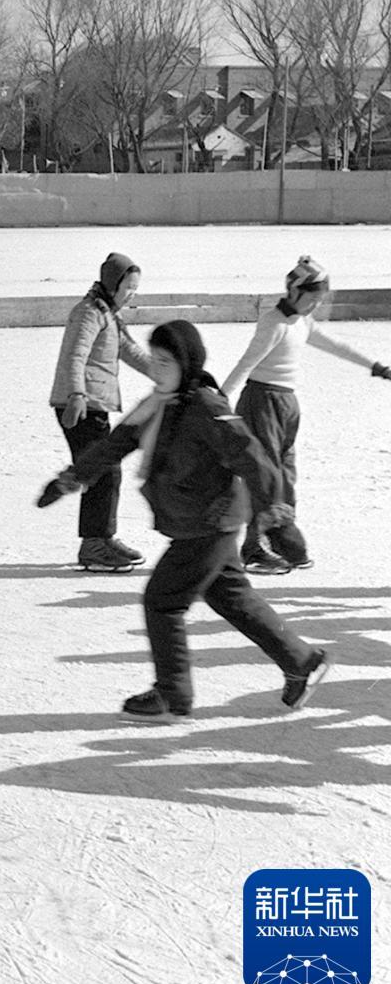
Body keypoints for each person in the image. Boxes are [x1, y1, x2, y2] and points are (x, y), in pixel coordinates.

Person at [37, 319, 330, 721]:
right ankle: (302, 661)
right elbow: (115, 445)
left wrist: (277, 516)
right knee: (232, 598)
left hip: (209, 526)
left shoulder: (206, 408)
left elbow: (254, 458)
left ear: (186, 363)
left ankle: (172, 693)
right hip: (192, 523)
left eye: (166, 362)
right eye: (154, 359)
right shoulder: (158, 404)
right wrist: (72, 478)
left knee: (162, 602)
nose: (156, 369)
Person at [221, 256, 391, 574]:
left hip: (287, 404)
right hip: (262, 402)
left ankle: (283, 544)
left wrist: (376, 367)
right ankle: (256, 547)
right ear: (295, 292)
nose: (316, 305)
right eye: (313, 298)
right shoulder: (275, 323)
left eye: (320, 299)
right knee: (265, 477)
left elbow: (335, 345)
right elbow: (247, 363)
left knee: (286, 476)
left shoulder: (302, 322)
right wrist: (218, 400)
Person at [48, 253, 154, 572]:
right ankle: (94, 544)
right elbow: (75, 356)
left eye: (135, 288)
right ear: (112, 284)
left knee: (105, 470)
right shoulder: (89, 312)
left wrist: (168, 374)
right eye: (128, 287)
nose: (132, 294)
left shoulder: (107, 314)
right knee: (101, 471)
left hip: (93, 402)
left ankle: (103, 539)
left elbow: (130, 352)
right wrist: (76, 394)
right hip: (80, 404)